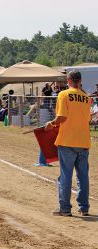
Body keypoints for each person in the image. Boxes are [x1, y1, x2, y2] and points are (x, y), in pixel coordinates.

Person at [45, 70, 91, 217]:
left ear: (69, 80)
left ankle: (64, 208)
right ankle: (84, 207)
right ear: (80, 81)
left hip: (67, 140)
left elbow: (62, 117)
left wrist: (51, 123)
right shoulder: (86, 97)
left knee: (65, 175)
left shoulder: (63, 94)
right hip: (83, 140)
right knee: (83, 176)